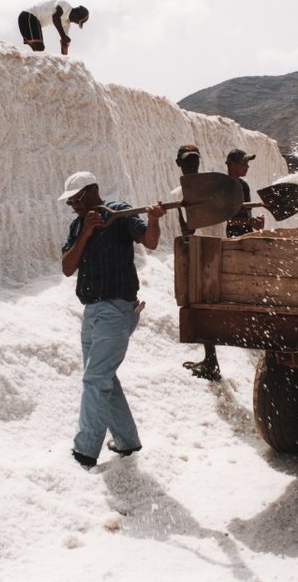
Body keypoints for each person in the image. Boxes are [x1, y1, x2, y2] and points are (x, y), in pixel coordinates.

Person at [59, 171, 165, 470]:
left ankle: (85, 452)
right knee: (104, 378)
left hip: (117, 309)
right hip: (91, 312)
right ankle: (128, 441)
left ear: (93, 191)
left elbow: (150, 241)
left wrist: (154, 219)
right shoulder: (77, 225)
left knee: (96, 378)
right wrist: (86, 233)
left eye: (79, 199)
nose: (75, 206)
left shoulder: (118, 211)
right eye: (71, 202)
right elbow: (68, 267)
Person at [173, 145, 224, 381]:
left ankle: (211, 362)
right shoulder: (179, 193)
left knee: (206, 306)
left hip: (212, 249)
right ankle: (210, 359)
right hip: (198, 252)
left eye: (195, 160)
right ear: (178, 163)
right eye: (187, 161)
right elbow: (188, 229)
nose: (192, 164)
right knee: (202, 306)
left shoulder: (210, 188)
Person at [19, 0, 89, 54]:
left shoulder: (66, 24)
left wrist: (65, 49)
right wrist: (63, 36)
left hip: (32, 21)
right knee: (39, 49)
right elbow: (55, 17)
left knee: (38, 50)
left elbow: (64, 43)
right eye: (78, 21)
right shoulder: (65, 5)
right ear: (77, 14)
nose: (76, 23)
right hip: (28, 16)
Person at [225, 149, 265, 237]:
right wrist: (249, 222)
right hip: (233, 237)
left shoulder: (244, 186)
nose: (247, 167)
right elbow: (225, 220)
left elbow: (247, 213)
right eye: (244, 164)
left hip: (247, 234)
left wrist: (257, 223)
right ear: (233, 165)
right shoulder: (224, 186)